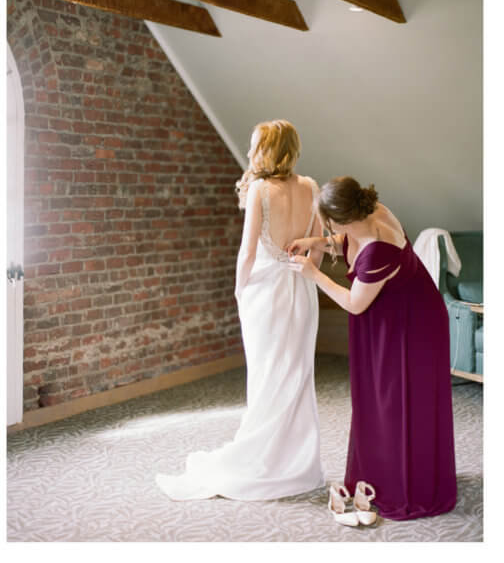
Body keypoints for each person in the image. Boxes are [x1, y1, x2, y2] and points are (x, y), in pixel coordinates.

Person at [156, 120, 325, 500]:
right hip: (302, 287)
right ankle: (297, 464)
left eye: (254, 146)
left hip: (265, 293)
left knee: (267, 374)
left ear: (269, 148)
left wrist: (239, 290)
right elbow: (315, 251)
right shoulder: (311, 186)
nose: (250, 153)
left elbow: (247, 252)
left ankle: (263, 461)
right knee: (297, 373)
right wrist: (305, 269)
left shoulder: (261, 189)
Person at [288, 176, 456, 520]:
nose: (328, 227)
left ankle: (409, 484)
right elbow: (348, 236)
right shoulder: (370, 209)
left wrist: (314, 274)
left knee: (400, 403)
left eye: (327, 223)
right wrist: (317, 241)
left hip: (411, 328)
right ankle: (383, 473)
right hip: (393, 316)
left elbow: (354, 304)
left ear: (340, 217)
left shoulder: (378, 248)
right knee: (382, 401)